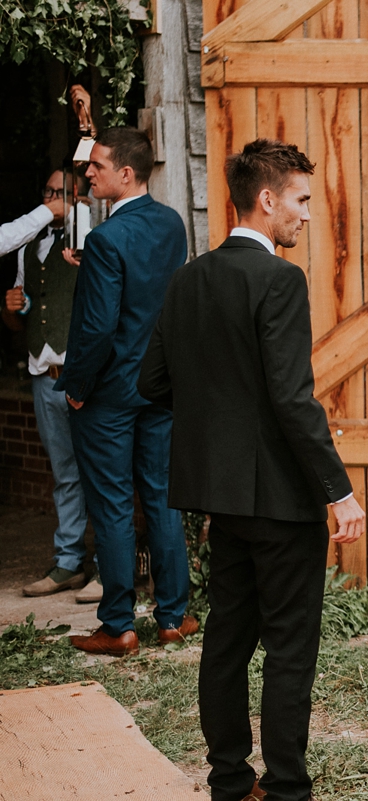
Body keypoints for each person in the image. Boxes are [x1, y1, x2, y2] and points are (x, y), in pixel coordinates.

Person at [139, 138, 366, 801]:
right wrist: (340, 491)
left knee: (228, 639)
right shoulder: (279, 280)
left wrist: (219, 414)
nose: (306, 214)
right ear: (265, 200)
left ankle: (230, 782)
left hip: (219, 495)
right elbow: (292, 397)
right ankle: (289, 788)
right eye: (300, 200)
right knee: (290, 646)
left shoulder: (188, 279)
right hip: (283, 499)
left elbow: (153, 381)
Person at [57, 127, 192, 657]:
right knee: (159, 497)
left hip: (109, 393)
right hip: (157, 388)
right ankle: (173, 619)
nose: (89, 173)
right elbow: (154, 302)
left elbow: (96, 330)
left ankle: (118, 627)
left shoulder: (106, 239)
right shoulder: (171, 225)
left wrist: (77, 388)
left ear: (126, 174)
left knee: (112, 504)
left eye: (98, 166)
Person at [2, 170, 96, 601]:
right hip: (44, 376)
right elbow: (22, 315)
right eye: (49, 192)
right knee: (64, 474)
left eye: (63, 192)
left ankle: (106, 567)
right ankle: (68, 562)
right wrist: (13, 307)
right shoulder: (27, 246)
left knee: (101, 472)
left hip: (83, 378)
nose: (55, 200)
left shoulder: (90, 235)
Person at [0, 190, 64, 258]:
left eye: (62, 192)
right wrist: (48, 211)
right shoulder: (26, 250)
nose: (54, 199)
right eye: (48, 191)